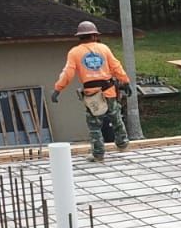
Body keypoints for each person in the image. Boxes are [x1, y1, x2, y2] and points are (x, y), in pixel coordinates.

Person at [52, 22, 132, 163]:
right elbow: (116, 66)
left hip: (93, 96)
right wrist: (125, 82)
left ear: (80, 37)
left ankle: (98, 154)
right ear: (94, 35)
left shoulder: (75, 52)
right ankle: (122, 144)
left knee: (95, 126)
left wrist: (58, 89)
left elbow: (68, 74)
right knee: (116, 118)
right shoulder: (104, 49)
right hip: (109, 92)